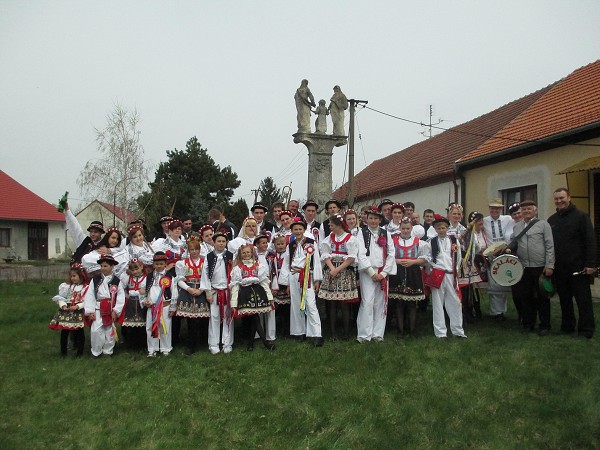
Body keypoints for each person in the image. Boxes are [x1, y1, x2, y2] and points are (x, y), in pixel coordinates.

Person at [548, 188, 596, 339]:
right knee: (565, 300)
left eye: (562, 198)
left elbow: (590, 241)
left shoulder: (582, 217)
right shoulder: (552, 220)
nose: (559, 201)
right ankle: (567, 326)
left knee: (583, 301)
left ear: (569, 197)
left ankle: (586, 330)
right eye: (556, 199)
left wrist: (590, 264)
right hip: (560, 268)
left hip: (579, 267)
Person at [509, 200, 554, 336]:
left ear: (535, 210)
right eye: (524, 209)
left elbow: (549, 245)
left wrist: (550, 265)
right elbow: (514, 244)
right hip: (523, 267)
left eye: (529, 209)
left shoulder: (543, 225)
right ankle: (528, 323)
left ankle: (544, 325)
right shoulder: (517, 227)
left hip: (540, 266)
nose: (526, 211)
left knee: (542, 297)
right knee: (526, 296)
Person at [278, 218, 324, 346]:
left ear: (304, 230)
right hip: (293, 275)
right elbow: (286, 263)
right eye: (295, 229)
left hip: (306, 276)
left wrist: (317, 280)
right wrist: (286, 282)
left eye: (300, 229)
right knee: (296, 304)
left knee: (310, 304)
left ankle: (316, 334)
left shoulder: (310, 243)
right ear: (291, 231)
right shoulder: (290, 246)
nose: (297, 231)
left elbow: (316, 261)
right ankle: (299, 332)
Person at [356, 207, 396, 342]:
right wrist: (371, 272)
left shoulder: (386, 233)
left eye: (376, 218)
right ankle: (364, 334)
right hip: (368, 272)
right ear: (366, 219)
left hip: (382, 272)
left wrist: (384, 272)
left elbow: (391, 253)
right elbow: (360, 253)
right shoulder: (361, 233)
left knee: (381, 303)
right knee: (367, 302)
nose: (373, 221)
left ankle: (377, 334)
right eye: (370, 218)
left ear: (380, 220)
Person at [423, 216, 467, 339]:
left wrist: (455, 271)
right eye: (438, 228)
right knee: (437, 303)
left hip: (451, 274)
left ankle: (458, 330)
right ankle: (440, 332)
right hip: (438, 273)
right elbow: (428, 258)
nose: (441, 230)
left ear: (447, 228)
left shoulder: (454, 241)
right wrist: (434, 267)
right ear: (435, 229)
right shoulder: (430, 242)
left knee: (455, 302)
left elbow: (458, 257)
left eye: (443, 228)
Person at [319, 214, 360, 340]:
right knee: (331, 304)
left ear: (338, 225)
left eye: (331, 225)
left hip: (344, 271)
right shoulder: (328, 239)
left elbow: (352, 257)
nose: (329, 227)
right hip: (331, 271)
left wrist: (337, 269)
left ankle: (346, 333)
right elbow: (325, 254)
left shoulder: (350, 238)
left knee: (344, 304)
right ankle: (332, 333)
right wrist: (332, 269)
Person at [230, 244, 275, 351]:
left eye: (248, 252)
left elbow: (264, 282)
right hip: (246, 294)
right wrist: (233, 302)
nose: (246, 254)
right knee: (254, 318)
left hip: (258, 293)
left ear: (252, 253)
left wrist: (269, 296)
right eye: (244, 253)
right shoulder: (238, 268)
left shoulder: (258, 266)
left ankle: (250, 344)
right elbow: (235, 286)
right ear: (240, 255)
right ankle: (265, 343)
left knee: (254, 318)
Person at [388, 218, 427, 337]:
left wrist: (413, 262)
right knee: (399, 302)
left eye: (408, 228)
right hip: (398, 273)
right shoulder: (393, 241)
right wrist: (397, 261)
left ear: (411, 229)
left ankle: (412, 330)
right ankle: (400, 330)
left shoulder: (418, 242)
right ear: (399, 229)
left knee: (411, 303)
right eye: (403, 228)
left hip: (413, 273)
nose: (405, 231)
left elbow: (425, 259)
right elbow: (388, 257)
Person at [83, 254, 126, 357]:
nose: (103, 268)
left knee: (109, 329)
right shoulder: (95, 279)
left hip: (110, 308)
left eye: (106, 266)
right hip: (98, 307)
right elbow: (90, 295)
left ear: (112, 267)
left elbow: (121, 297)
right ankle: (96, 351)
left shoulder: (116, 281)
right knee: (96, 330)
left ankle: (108, 351)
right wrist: (90, 311)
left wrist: (116, 311)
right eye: (101, 266)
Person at [200, 231, 235, 354]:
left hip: (227, 290)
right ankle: (213, 344)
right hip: (214, 291)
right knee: (214, 317)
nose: (221, 243)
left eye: (223, 241)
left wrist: (233, 290)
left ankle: (227, 343)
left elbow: (235, 274)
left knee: (228, 316)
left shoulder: (231, 255)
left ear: (226, 243)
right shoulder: (209, 257)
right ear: (214, 243)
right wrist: (208, 292)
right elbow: (205, 275)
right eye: (218, 241)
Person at [175, 235, 211, 354]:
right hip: (188, 291)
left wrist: (201, 290)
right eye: (192, 249)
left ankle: (201, 342)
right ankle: (191, 345)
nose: (194, 251)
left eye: (196, 249)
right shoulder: (182, 263)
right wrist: (189, 289)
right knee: (190, 320)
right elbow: (179, 280)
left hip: (201, 290)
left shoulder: (204, 262)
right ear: (188, 250)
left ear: (199, 250)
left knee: (202, 319)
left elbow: (207, 278)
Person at [482, 198, 514, 321]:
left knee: (504, 280)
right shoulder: (484, 221)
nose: (494, 210)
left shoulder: (508, 220)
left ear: (501, 209)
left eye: (497, 208)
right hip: (491, 255)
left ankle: (502, 310)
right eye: (492, 208)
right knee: (494, 283)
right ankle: (496, 312)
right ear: (489, 209)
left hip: (505, 253)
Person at [140, 252, 177, 356]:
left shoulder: (169, 276)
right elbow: (142, 290)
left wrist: (172, 308)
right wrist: (144, 301)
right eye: (157, 264)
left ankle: (166, 348)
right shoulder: (149, 277)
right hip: (151, 307)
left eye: (161, 263)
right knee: (151, 327)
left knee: (165, 327)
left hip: (165, 306)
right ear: (153, 264)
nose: (159, 266)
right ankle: (152, 348)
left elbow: (174, 292)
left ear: (165, 264)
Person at [49, 264, 89, 357]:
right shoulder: (67, 287)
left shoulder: (85, 288)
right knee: (64, 332)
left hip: (77, 312)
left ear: (81, 276)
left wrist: (78, 306)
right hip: (66, 311)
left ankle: (80, 352)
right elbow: (61, 298)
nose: (72, 278)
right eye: (71, 276)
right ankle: (63, 352)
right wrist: (63, 305)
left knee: (79, 332)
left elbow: (87, 301)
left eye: (74, 276)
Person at [460, 212, 489, 321]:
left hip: (483, 261)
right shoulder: (469, 234)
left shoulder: (485, 232)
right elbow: (472, 249)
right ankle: (471, 310)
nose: (481, 222)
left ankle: (477, 310)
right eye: (477, 221)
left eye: (481, 220)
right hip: (472, 261)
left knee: (477, 287)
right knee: (471, 287)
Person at [118, 258, 148, 350]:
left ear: (142, 267)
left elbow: (148, 290)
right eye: (132, 270)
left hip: (141, 304)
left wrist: (143, 293)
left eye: (136, 269)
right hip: (130, 304)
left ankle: (142, 344)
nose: (135, 272)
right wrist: (128, 295)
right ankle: (131, 344)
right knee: (130, 325)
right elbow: (121, 288)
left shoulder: (146, 278)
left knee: (142, 325)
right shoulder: (128, 278)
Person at [268, 234, 290, 336]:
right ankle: (278, 328)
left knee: (287, 307)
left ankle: (287, 329)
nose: (280, 246)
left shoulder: (288, 254)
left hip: (285, 282)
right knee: (277, 307)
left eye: (282, 244)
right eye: (278, 244)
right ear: (274, 244)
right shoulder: (272, 256)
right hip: (276, 282)